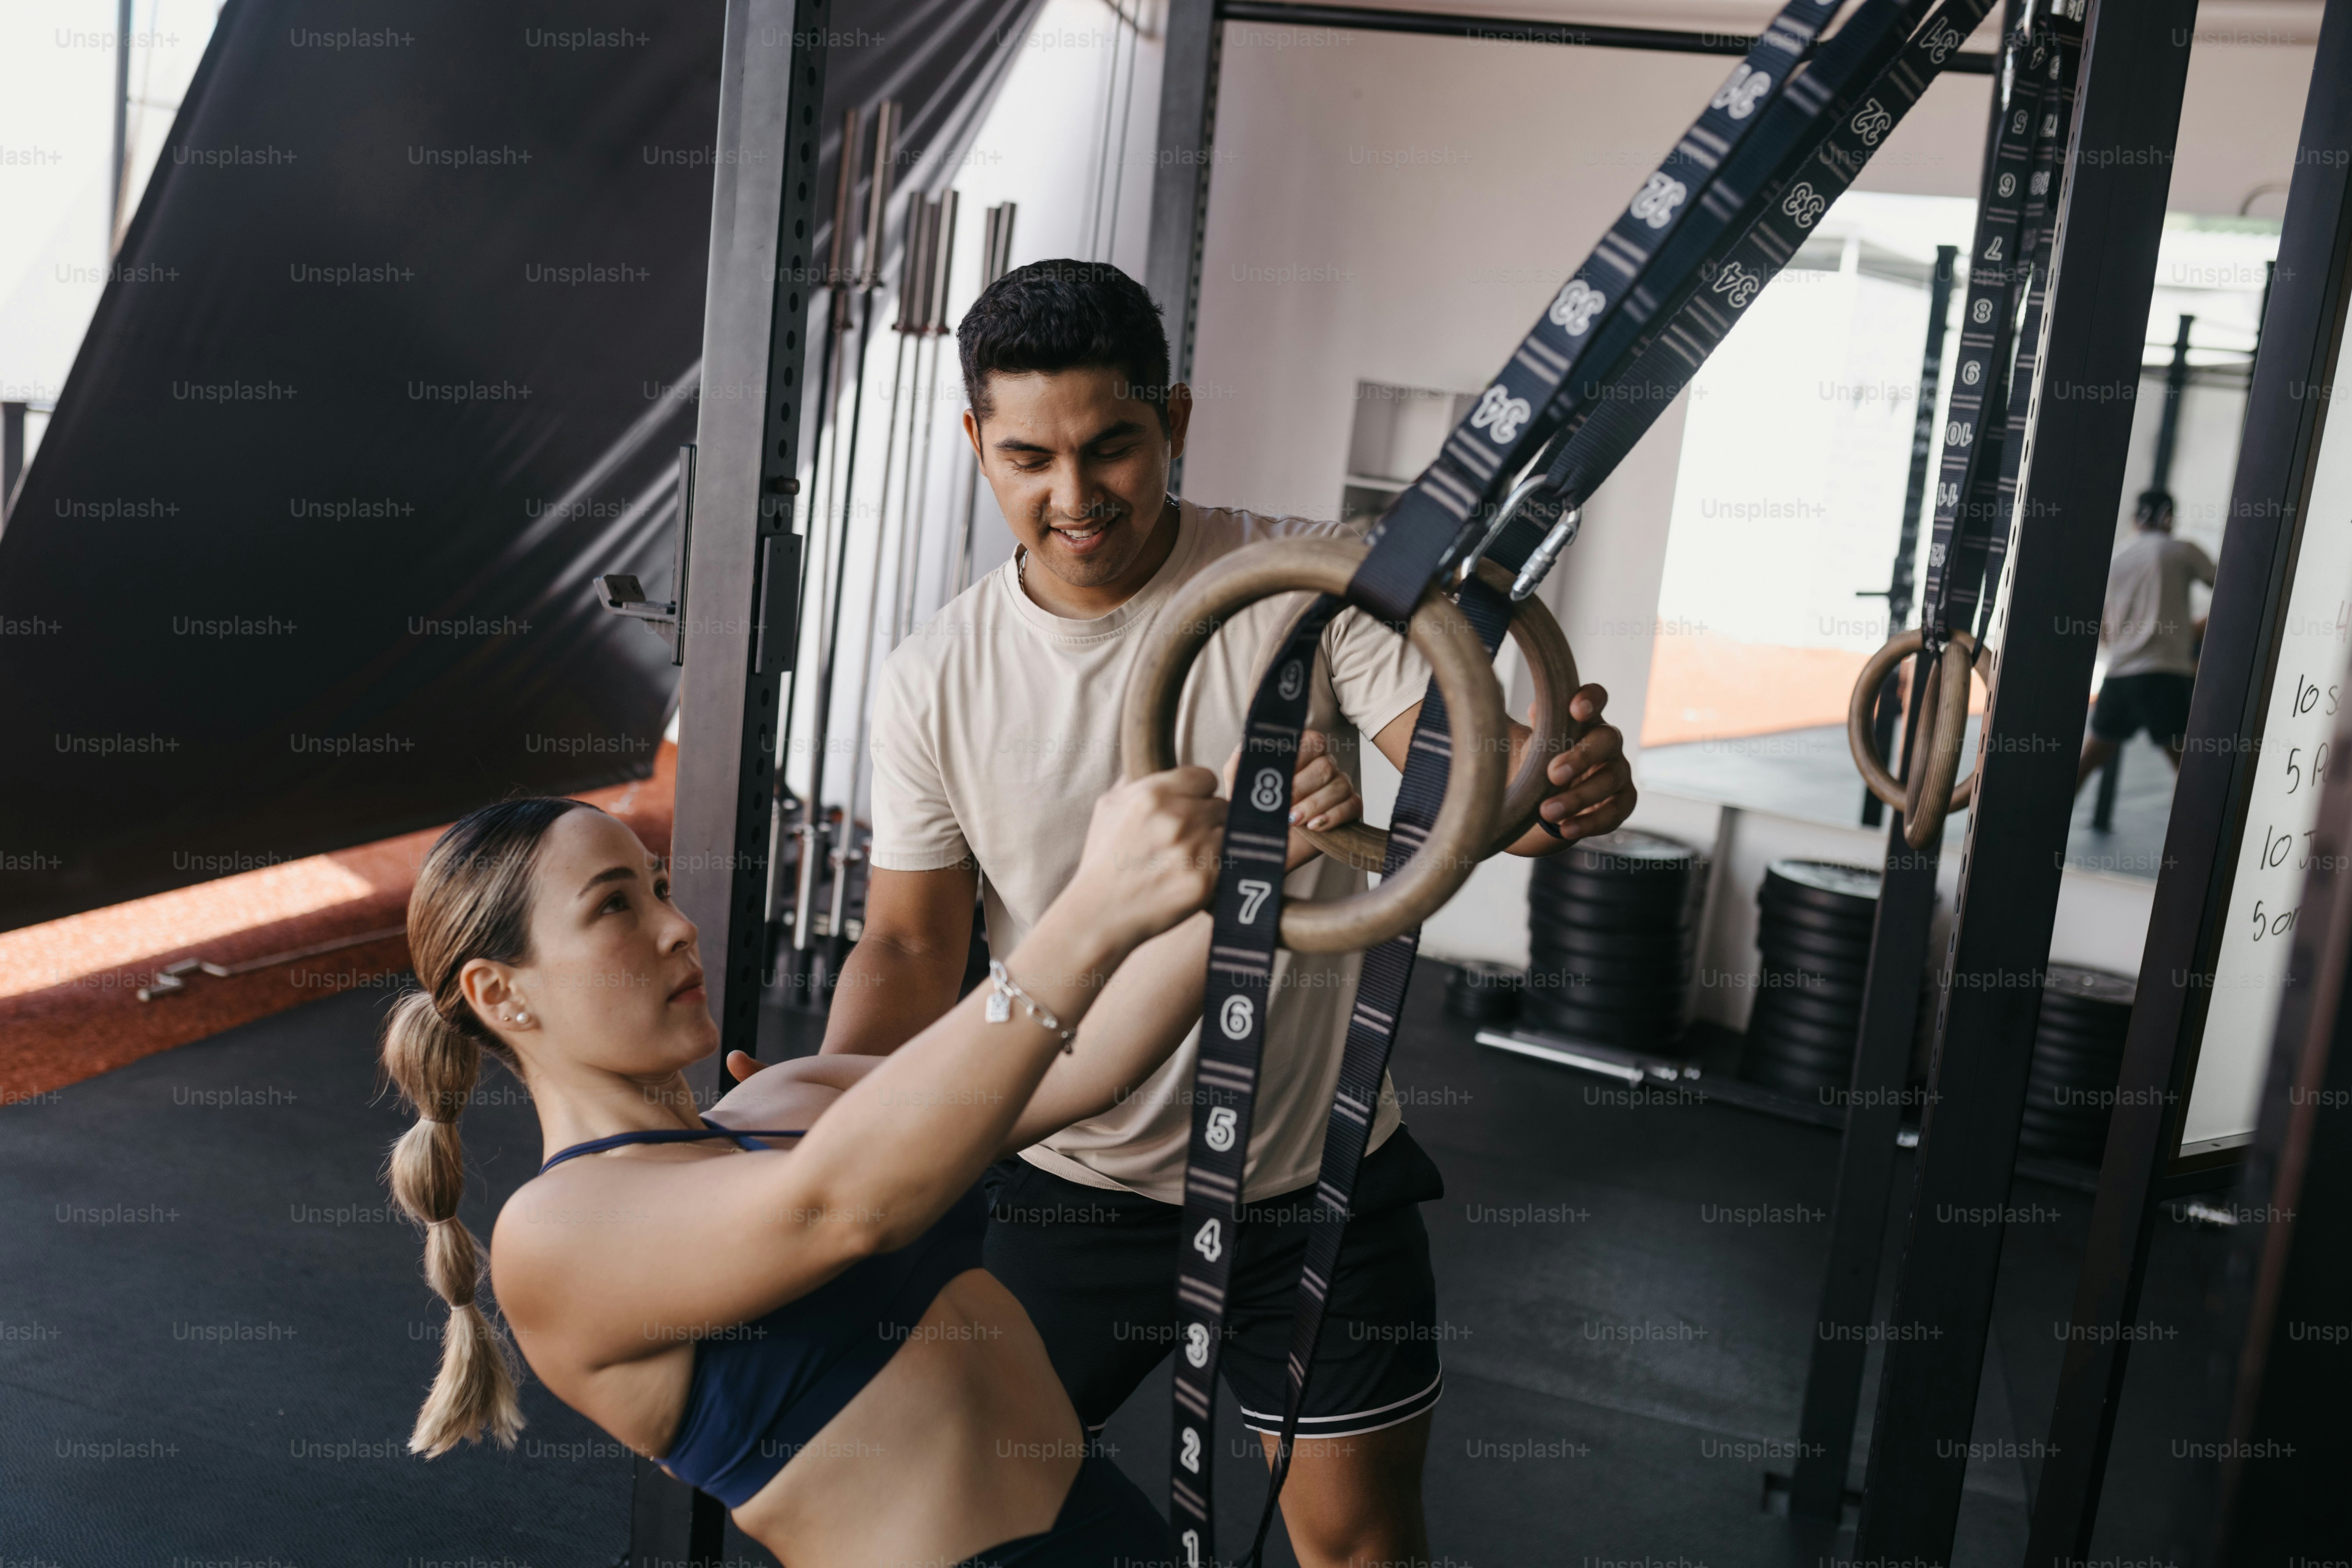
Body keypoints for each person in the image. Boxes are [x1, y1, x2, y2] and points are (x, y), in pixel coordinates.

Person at [809, 259, 1638, 1568]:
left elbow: (1474, 770)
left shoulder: (1307, 585)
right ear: (976, 441)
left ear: (1174, 421)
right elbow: (911, 945)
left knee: (1359, 1549)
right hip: (1068, 1188)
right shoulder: (932, 679)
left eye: (1110, 448)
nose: (1071, 499)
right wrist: (830, 1125)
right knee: (940, 1531)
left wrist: (1560, 783)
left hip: (1316, 1185)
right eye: (1026, 456)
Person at [378, 753, 1359, 1568]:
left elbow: (1082, 1063)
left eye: (661, 888)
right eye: (614, 906)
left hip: (1113, 1529)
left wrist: (1251, 858)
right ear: (501, 993)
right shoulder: (557, 1233)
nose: (677, 926)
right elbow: (845, 1206)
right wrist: (1092, 907)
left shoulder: (789, 1097)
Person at [2077, 488, 2217, 791]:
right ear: (2169, 517)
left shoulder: (2117, 557)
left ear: (2134, 519)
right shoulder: (2181, 551)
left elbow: (2101, 628)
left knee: (2089, 761)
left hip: (2121, 674)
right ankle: (2194, 836)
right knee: (2186, 771)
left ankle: (2040, 825)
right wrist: (2195, 630)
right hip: (2166, 673)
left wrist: (2125, 641)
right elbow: (2229, 589)